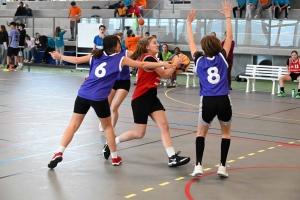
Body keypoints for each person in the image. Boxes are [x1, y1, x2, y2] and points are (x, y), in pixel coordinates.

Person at [47, 35, 176, 169]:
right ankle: (114, 157)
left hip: (83, 94)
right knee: (108, 127)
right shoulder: (120, 59)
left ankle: (59, 152)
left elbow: (77, 60)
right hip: (99, 98)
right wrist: (163, 63)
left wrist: (60, 56)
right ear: (115, 46)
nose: (121, 44)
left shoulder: (95, 55)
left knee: (73, 125)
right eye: (119, 42)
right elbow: (142, 64)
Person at [102, 36, 191, 167]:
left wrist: (173, 65)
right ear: (147, 47)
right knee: (139, 134)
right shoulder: (148, 58)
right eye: (154, 43)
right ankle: (112, 143)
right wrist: (176, 64)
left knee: (164, 126)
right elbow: (165, 75)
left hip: (152, 97)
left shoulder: (154, 59)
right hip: (141, 98)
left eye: (158, 42)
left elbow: (165, 71)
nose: (158, 44)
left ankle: (172, 157)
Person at [186, 0, 233, 178]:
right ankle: (222, 167)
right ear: (218, 47)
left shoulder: (198, 60)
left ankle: (198, 165)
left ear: (203, 49)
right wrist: (228, 15)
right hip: (223, 100)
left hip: (207, 100)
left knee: (201, 133)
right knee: (226, 134)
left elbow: (190, 41)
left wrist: (189, 23)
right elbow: (229, 38)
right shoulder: (222, 58)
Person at [98, 33, 132, 132]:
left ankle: (111, 129)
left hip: (124, 82)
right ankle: (103, 121)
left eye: (119, 40)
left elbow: (138, 55)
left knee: (114, 107)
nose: (118, 42)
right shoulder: (107, 54)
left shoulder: (125, 53)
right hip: (112, 81)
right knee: (106, 105)